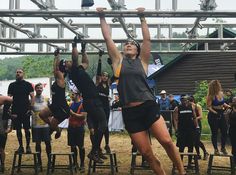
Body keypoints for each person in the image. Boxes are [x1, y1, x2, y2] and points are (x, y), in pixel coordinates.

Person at [97, 7, 185, 175]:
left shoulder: (142, 61)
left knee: (166, 141)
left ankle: (182, 172)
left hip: (147, 106)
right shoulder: (118, 61)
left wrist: (142, 17)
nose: (129, 44)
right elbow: (107, 38)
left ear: (137, 50)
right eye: (126, 44)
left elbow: (147, 39)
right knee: (146, 153)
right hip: (130, 112)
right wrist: (102, 16)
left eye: (132, 44)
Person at [58, 39, 107, 164]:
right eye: (67, 62)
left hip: (91, 101)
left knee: (98, 127)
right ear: (66, 67)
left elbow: (85, 62)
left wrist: (84, 50)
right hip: (92, 101)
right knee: (103, 124)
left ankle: (96, 151)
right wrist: (74, 45)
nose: (69, 61)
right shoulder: (73, 72)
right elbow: (75, 58)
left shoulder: (78, 69)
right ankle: (94, 151)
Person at [39, 49, 74, 139]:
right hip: (55, 105)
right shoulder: (58, 78)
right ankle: (57, 129)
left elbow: (56, 68)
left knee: (52, 126)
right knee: (42, 115)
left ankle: (55, 128)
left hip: (62, 108)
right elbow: (56, 69)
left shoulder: (61, 78)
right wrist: (56, 57)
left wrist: (57, 56)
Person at [7, 68, 35, 153]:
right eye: (17, 72)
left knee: (27, 129)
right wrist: (9, 111)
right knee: (18, 130)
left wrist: (30, 109)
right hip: (15, 111)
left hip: (25, 111)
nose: (18, 73)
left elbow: (32, 97)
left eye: (20, 72)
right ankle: (21, 147)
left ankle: (28, 146)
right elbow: (9, 98)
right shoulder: (12, 85)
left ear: (23, 74)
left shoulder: (27, 84)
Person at [173, 95, 198, 169]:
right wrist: (176, 129)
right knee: (181, 147)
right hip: (182, 130)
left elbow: (194, 117)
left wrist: (197, 126)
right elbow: (175, 119)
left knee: (190, 147)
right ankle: (180, 163)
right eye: (182, 100)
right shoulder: (177, 108)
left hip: (191, 129)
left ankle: (190, 163)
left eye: (184, 99)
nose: (183, 101)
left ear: (187, 100)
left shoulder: (192, 107)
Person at [206, 80, 230, 155]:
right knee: (215, 132)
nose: (219, 86)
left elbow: (222, 103)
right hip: (213, 114)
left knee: (224, 131)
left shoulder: (221, 93)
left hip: (221, 113)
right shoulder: (211, 96)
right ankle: (216, 149)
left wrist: (227, 106)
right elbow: (208, 106)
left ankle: (223, 147)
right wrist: (215, 112)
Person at [31, 83, 51, 167]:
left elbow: (51, 110)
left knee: (48, 143)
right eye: (37, 88)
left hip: (46, 125)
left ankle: (50, 161)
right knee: (37, 144)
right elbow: (28, 110)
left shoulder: (46, 99)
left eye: (40, 88)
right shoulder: (31, 100)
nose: (39, 89)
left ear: (42, 89)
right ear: (35, 89)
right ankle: (39, 163)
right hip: (35, 126)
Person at [67, 92, 87, 173]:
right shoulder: (71, 104)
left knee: (80, 146)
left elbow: (83, 116)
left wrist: (73, 114)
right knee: (72, 146)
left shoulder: (82, 104)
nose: (72, 96)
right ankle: (75, 163)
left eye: (73, 94)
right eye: (71, 94)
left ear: (78, 95)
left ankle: (82, 164)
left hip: (79, 128)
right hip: (71, 127)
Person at [96, 56, 111, 154]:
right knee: (100, 126)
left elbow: (115, 75)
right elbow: (97, 73)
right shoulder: (98, 83)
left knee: (106, 127)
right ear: (101, 77)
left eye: (106, 76)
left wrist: (111, 64)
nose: (105, 77)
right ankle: (97, 146)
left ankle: (106, 144)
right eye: (103, 75)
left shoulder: (108, 84)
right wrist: (100, 60)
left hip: (106, 107)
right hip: (99, 107)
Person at [189, 95, 209, 160]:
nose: (190, 103)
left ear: (193, 101)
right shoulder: (188, 107)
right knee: (193, 140)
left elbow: (200, 116)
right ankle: (198, 154)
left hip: (197, 124)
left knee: (197, 140)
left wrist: (194, 119)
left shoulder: (198, 106)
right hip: (191, 125)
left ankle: (205, 152)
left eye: (191, 101)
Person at [0, 95, 12, 172]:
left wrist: (9, 128)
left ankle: (2, 165)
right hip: (2, 131)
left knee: (1, 149)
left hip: (2, 132)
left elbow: (10, 119)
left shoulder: (5, 109)